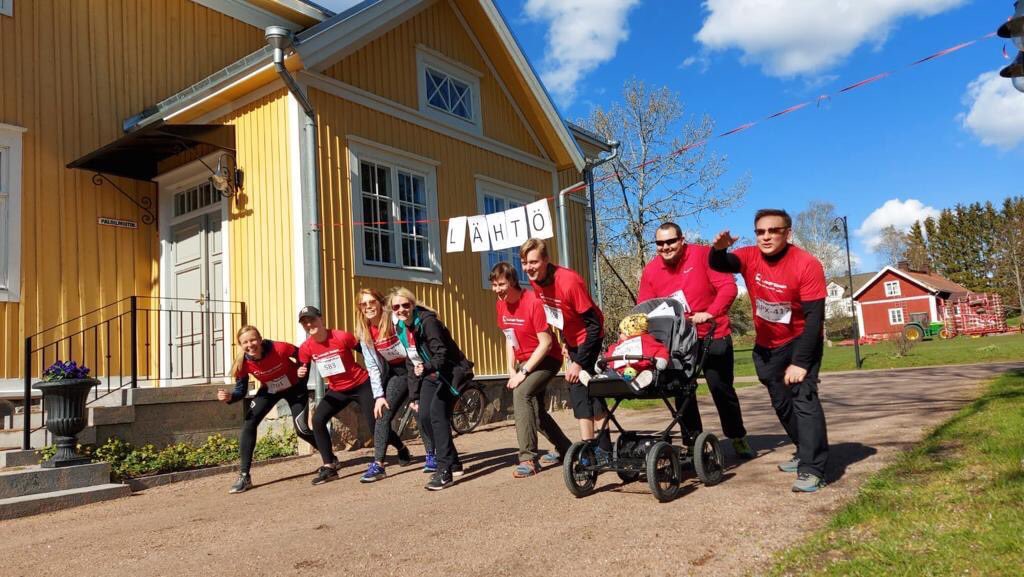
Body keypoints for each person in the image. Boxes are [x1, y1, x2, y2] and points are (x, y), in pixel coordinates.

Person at [709, 208, 830, 493]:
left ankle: (813, 469)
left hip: (801, 339)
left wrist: (801, 362)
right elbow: (720, 265)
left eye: (773, 231)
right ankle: (803, 450)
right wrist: (717, 250)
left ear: (788, 233)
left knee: (804, 398)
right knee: (782, 403)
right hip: (767, 346)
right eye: (760, 231)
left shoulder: (806, 264)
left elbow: (815, 317)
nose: (766, 237)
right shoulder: (749, 256)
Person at [637, 222, 755, 459]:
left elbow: (727, 288)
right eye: (660, 243)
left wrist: (710, 312)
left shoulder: (704, 256)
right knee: (682, 390)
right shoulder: (651, 270)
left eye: (671, 241)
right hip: (679, 340)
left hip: (712, 332)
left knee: (721, 388)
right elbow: (645, 307)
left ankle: (737, 436)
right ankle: (693, 443)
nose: (666, 247)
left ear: (682, 240)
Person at [521, 238, 611, 457]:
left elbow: (594, 324)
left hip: (591, 338)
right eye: (524, 262)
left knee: (587, 389)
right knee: (580, 392)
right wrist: (565, 341)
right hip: (572, 341)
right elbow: (557, 313)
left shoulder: (569, 281)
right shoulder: (536, 281)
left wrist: (579, 362)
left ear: (546, 260)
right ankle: (590, 448)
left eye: (533, 262)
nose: (528, 268)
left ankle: (602, 448)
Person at [490, 262, 573, 478]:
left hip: (547, 359)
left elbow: (545, 344)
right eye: (494, 285)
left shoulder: (533, 302)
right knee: (535, 413)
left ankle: (528, 458)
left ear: (513, 281)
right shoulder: (501, 304)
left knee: (521, 393)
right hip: (524, 361)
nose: (497, 290)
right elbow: (510, 338)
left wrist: (523, 373)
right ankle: (567, 449)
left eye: (501, 284)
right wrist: (510, 368)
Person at [217, 325, 319, 493]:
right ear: (240, 345)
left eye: (253, 340)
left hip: (295, 389)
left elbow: (302, 356)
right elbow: (240, 391)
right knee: (249, 423)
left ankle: (329, 456)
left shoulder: (280, 348)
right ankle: (244, 476)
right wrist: (230, 397)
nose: (250, 345)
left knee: (301, 429)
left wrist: (302, 376)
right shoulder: (242, 363)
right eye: (245, 342)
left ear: (260, 339)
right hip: (269, 391)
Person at [391, 287, 474, 491]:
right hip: (429, 375)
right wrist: (414, 396)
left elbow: (442, 354)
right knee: (425, 418)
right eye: (396, 307)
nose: (401, 310)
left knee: (437, 415)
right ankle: (453, 462)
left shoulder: (428, 322)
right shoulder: (401, 328)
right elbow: (411, 362)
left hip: (451, 372)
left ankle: (444, 471)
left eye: (405, 305)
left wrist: (426, 367)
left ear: (412, 305)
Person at [296, 305, 377, 486]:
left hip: (361, 384)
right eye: (304, 323)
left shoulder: (342, 336)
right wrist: (300, 372)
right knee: (317, 420)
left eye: (312, 320)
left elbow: (368, 352)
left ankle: (401, 449)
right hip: (337, 390)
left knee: (376, 423)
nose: (309, 324)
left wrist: (378, 375)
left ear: (321, 319)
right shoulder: (306, 347)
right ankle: (330, 466)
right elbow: (302, 368)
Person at [351, 288, 419, 483]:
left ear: (380, 303)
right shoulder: (365, 331)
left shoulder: (394, 320)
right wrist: (379, 396)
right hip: (396, 373)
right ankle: (379, 465)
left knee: (420, 411)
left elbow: (413, 343)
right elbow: (372, 366)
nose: (368, 307)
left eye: (372, 302)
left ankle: (433, 455)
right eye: (363, 304)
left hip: (416, 368)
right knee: (382, 414)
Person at [582, 314, 669, 389]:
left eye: (622, 332)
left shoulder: (648, 341)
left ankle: (639, 382)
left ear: (629, 332)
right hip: (620, 374)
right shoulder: (619, 345)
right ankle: (595, 382)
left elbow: (660, 350)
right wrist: (601, 362)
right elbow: (608, 355)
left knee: (648, 374)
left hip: (639, 371)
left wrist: (661, 360)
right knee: (611, 374)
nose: (620, 335)